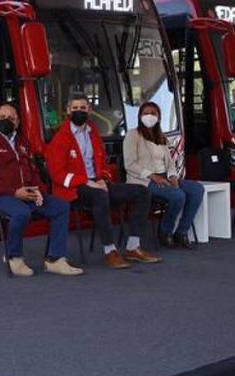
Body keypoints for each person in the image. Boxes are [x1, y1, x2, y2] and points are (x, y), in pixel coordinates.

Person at [45, 94, 161, 269]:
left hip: (97, 183)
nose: (79, 111)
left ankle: (133, 247)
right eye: (75, 108)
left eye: (83, 108)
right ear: (68, 111)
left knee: (142, 192)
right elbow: (57, 174)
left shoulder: (93, 132)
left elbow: (102, 162)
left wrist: (103, 178)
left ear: (89, 110)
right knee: (100, 195)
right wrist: (86, 181)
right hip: (74, 189)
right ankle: (109, 251)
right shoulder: (59, 139)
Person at [0, 102, 81, 277]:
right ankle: (13, 257)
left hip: (26, 194)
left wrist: (39, 191)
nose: (6, 120)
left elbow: (33, 171)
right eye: (2, 117)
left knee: (61, 207)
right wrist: (14, 192)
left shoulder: (22, 142)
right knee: (21, 213)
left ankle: (55, 259)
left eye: (11, 118)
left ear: (18, 122)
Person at [123, 101, 204, 250]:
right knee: (178, 196)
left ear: (159, 117)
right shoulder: (133, 135)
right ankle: (165, 232)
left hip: (164, 175)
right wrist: (152, 176)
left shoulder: (161, 137)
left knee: (197, 189)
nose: (149, 116)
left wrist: (173, 175)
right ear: (140, 116)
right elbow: (129, 164)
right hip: (142, 181)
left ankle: (181, 232)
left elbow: (170, 162)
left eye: (153, 113)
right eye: (145, 113)